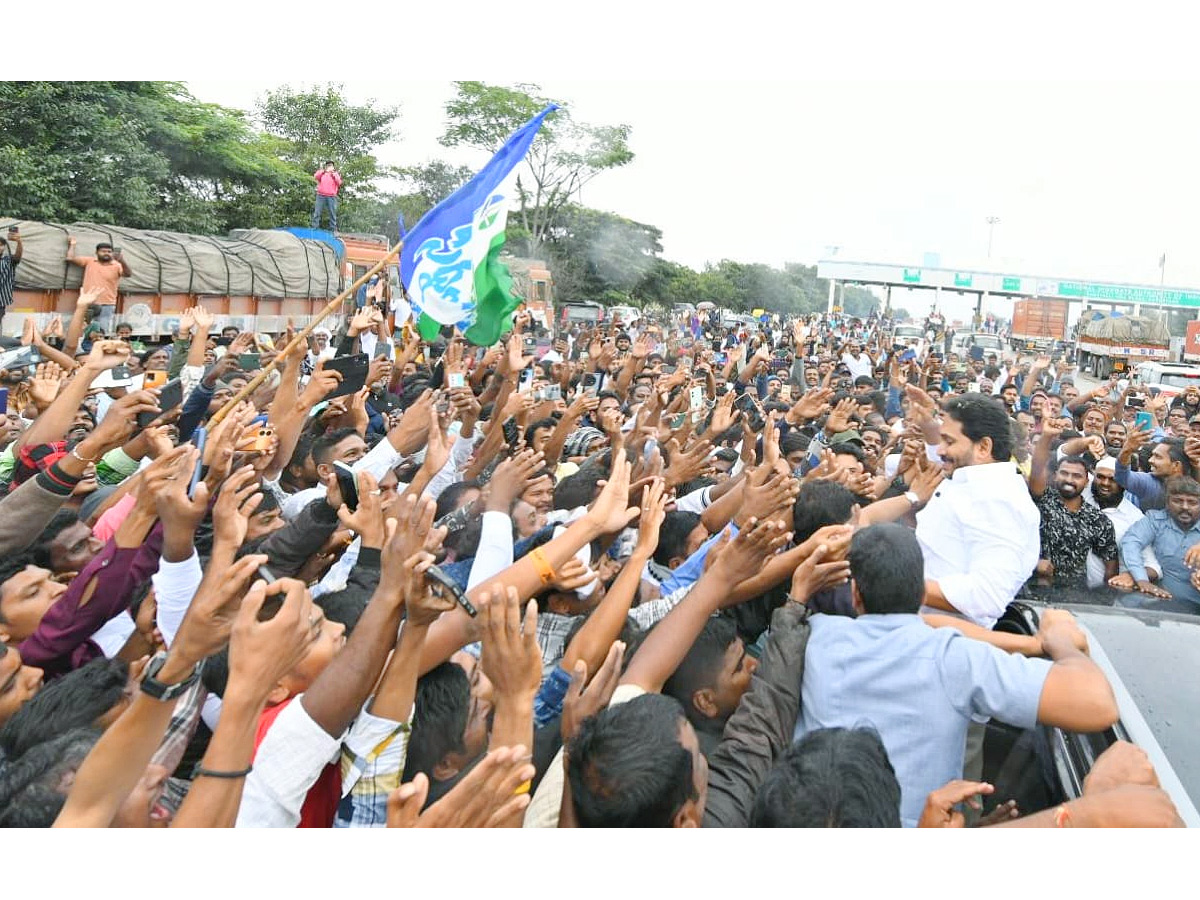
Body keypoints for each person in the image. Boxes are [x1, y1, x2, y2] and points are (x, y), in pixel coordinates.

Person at [794, 523, 1119, 827]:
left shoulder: (815, 637)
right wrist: (1058, 640)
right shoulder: (956, 659)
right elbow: (1097, 705)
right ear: (922, 592)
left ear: (855, 595)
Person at [915, 392, 1040, 628]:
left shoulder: (998, 500)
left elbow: (986, 596)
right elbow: (941, 457)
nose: (941, 450)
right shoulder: (972, 479)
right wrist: (928, 424)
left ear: (983, 447)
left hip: (946, 646)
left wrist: (892, 585)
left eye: (949, 441)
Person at [1026, 422, 1117, 598]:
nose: (1069, 479)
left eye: (1076, 476)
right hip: (1032, 593)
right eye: (1064, 473)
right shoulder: (1042, 499)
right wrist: (1046, 437)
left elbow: (1111, 568)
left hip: (1075, 599)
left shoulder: (1098, 519)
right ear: (1055, 475)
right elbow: (1037, 468)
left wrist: (1104, 603)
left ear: (1086, 481)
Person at [1115, 475, 1200, 614]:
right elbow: (1131, 542)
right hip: (1161, 606)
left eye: (1192, 502)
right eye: (1178, 501)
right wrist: (1141, 579)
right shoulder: (1156, 520)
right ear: (1167, 502)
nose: (1185, 507)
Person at [65, 239, 132, 336]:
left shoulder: (117, 265)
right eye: (103, 251)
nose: (107, 254)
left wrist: (122, 261)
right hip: (88, 303)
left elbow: (128, 274)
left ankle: (97, 350)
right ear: (96, 252)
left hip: (106, 304)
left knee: (100, 332)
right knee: (82, 331)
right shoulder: (89, 261)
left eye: (109, 252)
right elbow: (70, 258)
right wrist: (72, 244)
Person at [0, 227, 24, 332]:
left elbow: (17, 257)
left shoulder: (8, 261)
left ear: (4, 247)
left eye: (0, 245)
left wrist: (19, 241)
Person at [312, 161, 342, 231]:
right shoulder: (322, 173)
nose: (329, 166)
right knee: (317, 212)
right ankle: (314, 228)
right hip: (320, 195)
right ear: (326, 166)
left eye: (331, 165)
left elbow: (339, 182)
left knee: (332, 213)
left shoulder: (336, 174)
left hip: (331, 196)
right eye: (328, 165)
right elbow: (316, 176)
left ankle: (333, 229)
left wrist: (333, 174)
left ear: (333, 167)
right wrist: (323, 171)